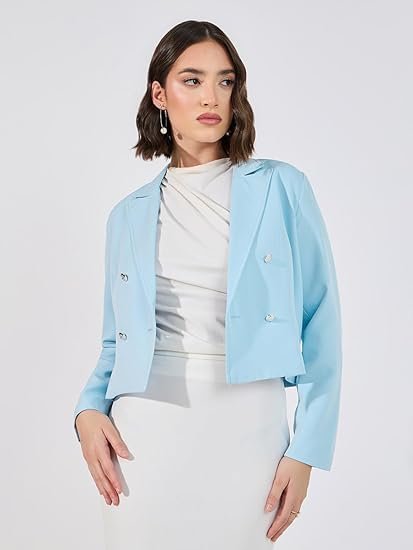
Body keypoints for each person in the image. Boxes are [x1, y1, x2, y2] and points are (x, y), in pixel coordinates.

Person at [73, 20, 342, 549]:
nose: (211, 96)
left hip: (250, 429)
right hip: (144, 436)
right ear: (159, 94)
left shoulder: (282, 187)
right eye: (192, 80)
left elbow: (321, 319)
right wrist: (86, 411)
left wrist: (307, 449)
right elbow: (114, 341)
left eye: (225, 81)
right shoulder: (126, 216)